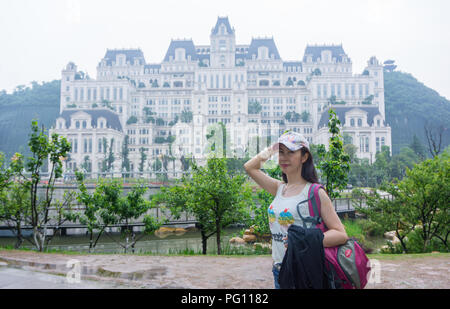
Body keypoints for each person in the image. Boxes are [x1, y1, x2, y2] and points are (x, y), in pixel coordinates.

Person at [243, 130, 348, 289]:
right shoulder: (279, 188)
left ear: (304, 157)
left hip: (303, 272)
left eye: (291, 152)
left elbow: (341, 234)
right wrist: (272, 149)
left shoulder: (314, 192)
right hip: (279, 270)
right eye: (281, 153)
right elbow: (250, 167)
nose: (284, 158)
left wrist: (302, 240)